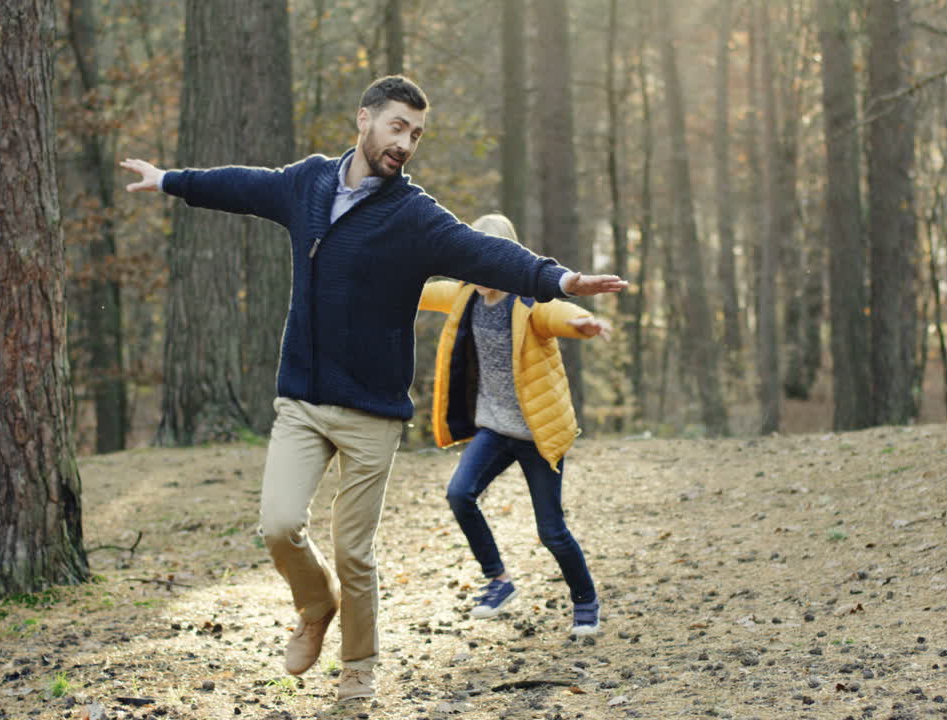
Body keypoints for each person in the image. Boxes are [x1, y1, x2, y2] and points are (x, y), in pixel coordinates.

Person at [122, 75, 628, 702]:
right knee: (279, 525)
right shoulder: (307, 184)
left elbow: (481, 252)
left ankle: (358, 671)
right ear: (364, 119)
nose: (405, 143)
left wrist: (561, 279)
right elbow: (244, 186)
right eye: (396, 127)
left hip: (372, 412)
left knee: (353, 550)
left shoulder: (413, 214)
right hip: (303, 399)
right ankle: (317, 606)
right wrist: (171, 179)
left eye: (415, 134)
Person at [418, 214, 613, 637]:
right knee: (459, 494)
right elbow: (417, 291)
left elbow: (557, 313)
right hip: (494, 429)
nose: (480, 270)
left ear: (506, 259)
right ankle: (499, 581)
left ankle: (585, 600)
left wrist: (582, 324)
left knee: (551, 530)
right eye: (472, 259)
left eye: (489, 260)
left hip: (535, 434)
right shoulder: (464, 295)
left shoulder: (527, 300)